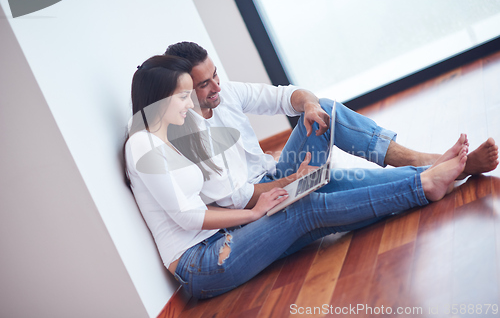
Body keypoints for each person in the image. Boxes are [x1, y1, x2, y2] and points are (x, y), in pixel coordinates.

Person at [124, 54, 470, 300]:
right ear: (160, 100)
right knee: (306, 209)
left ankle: (429, 172)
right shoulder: (143, 143)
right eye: (185, 95)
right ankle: (424, 184)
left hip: (225, 235)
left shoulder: (164, 132)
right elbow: (187, 215)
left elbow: (283, 95)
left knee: (318, 192)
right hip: (201, 263)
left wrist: (307, 110)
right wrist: (257, 212)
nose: (192, 101)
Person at [164, 42, 499, 207]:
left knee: (324, 108)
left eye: (215, 75)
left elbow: (288, 96)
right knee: (356, 186)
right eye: (204, 84)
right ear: (183, 91)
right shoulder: (188, 133)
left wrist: (308, 104)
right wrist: (293, 179)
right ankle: (450, 168)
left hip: (277, 173)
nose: (217, 86)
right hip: (264, 198)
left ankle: (427, 163)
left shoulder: (227, 93)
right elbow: (238, 200)